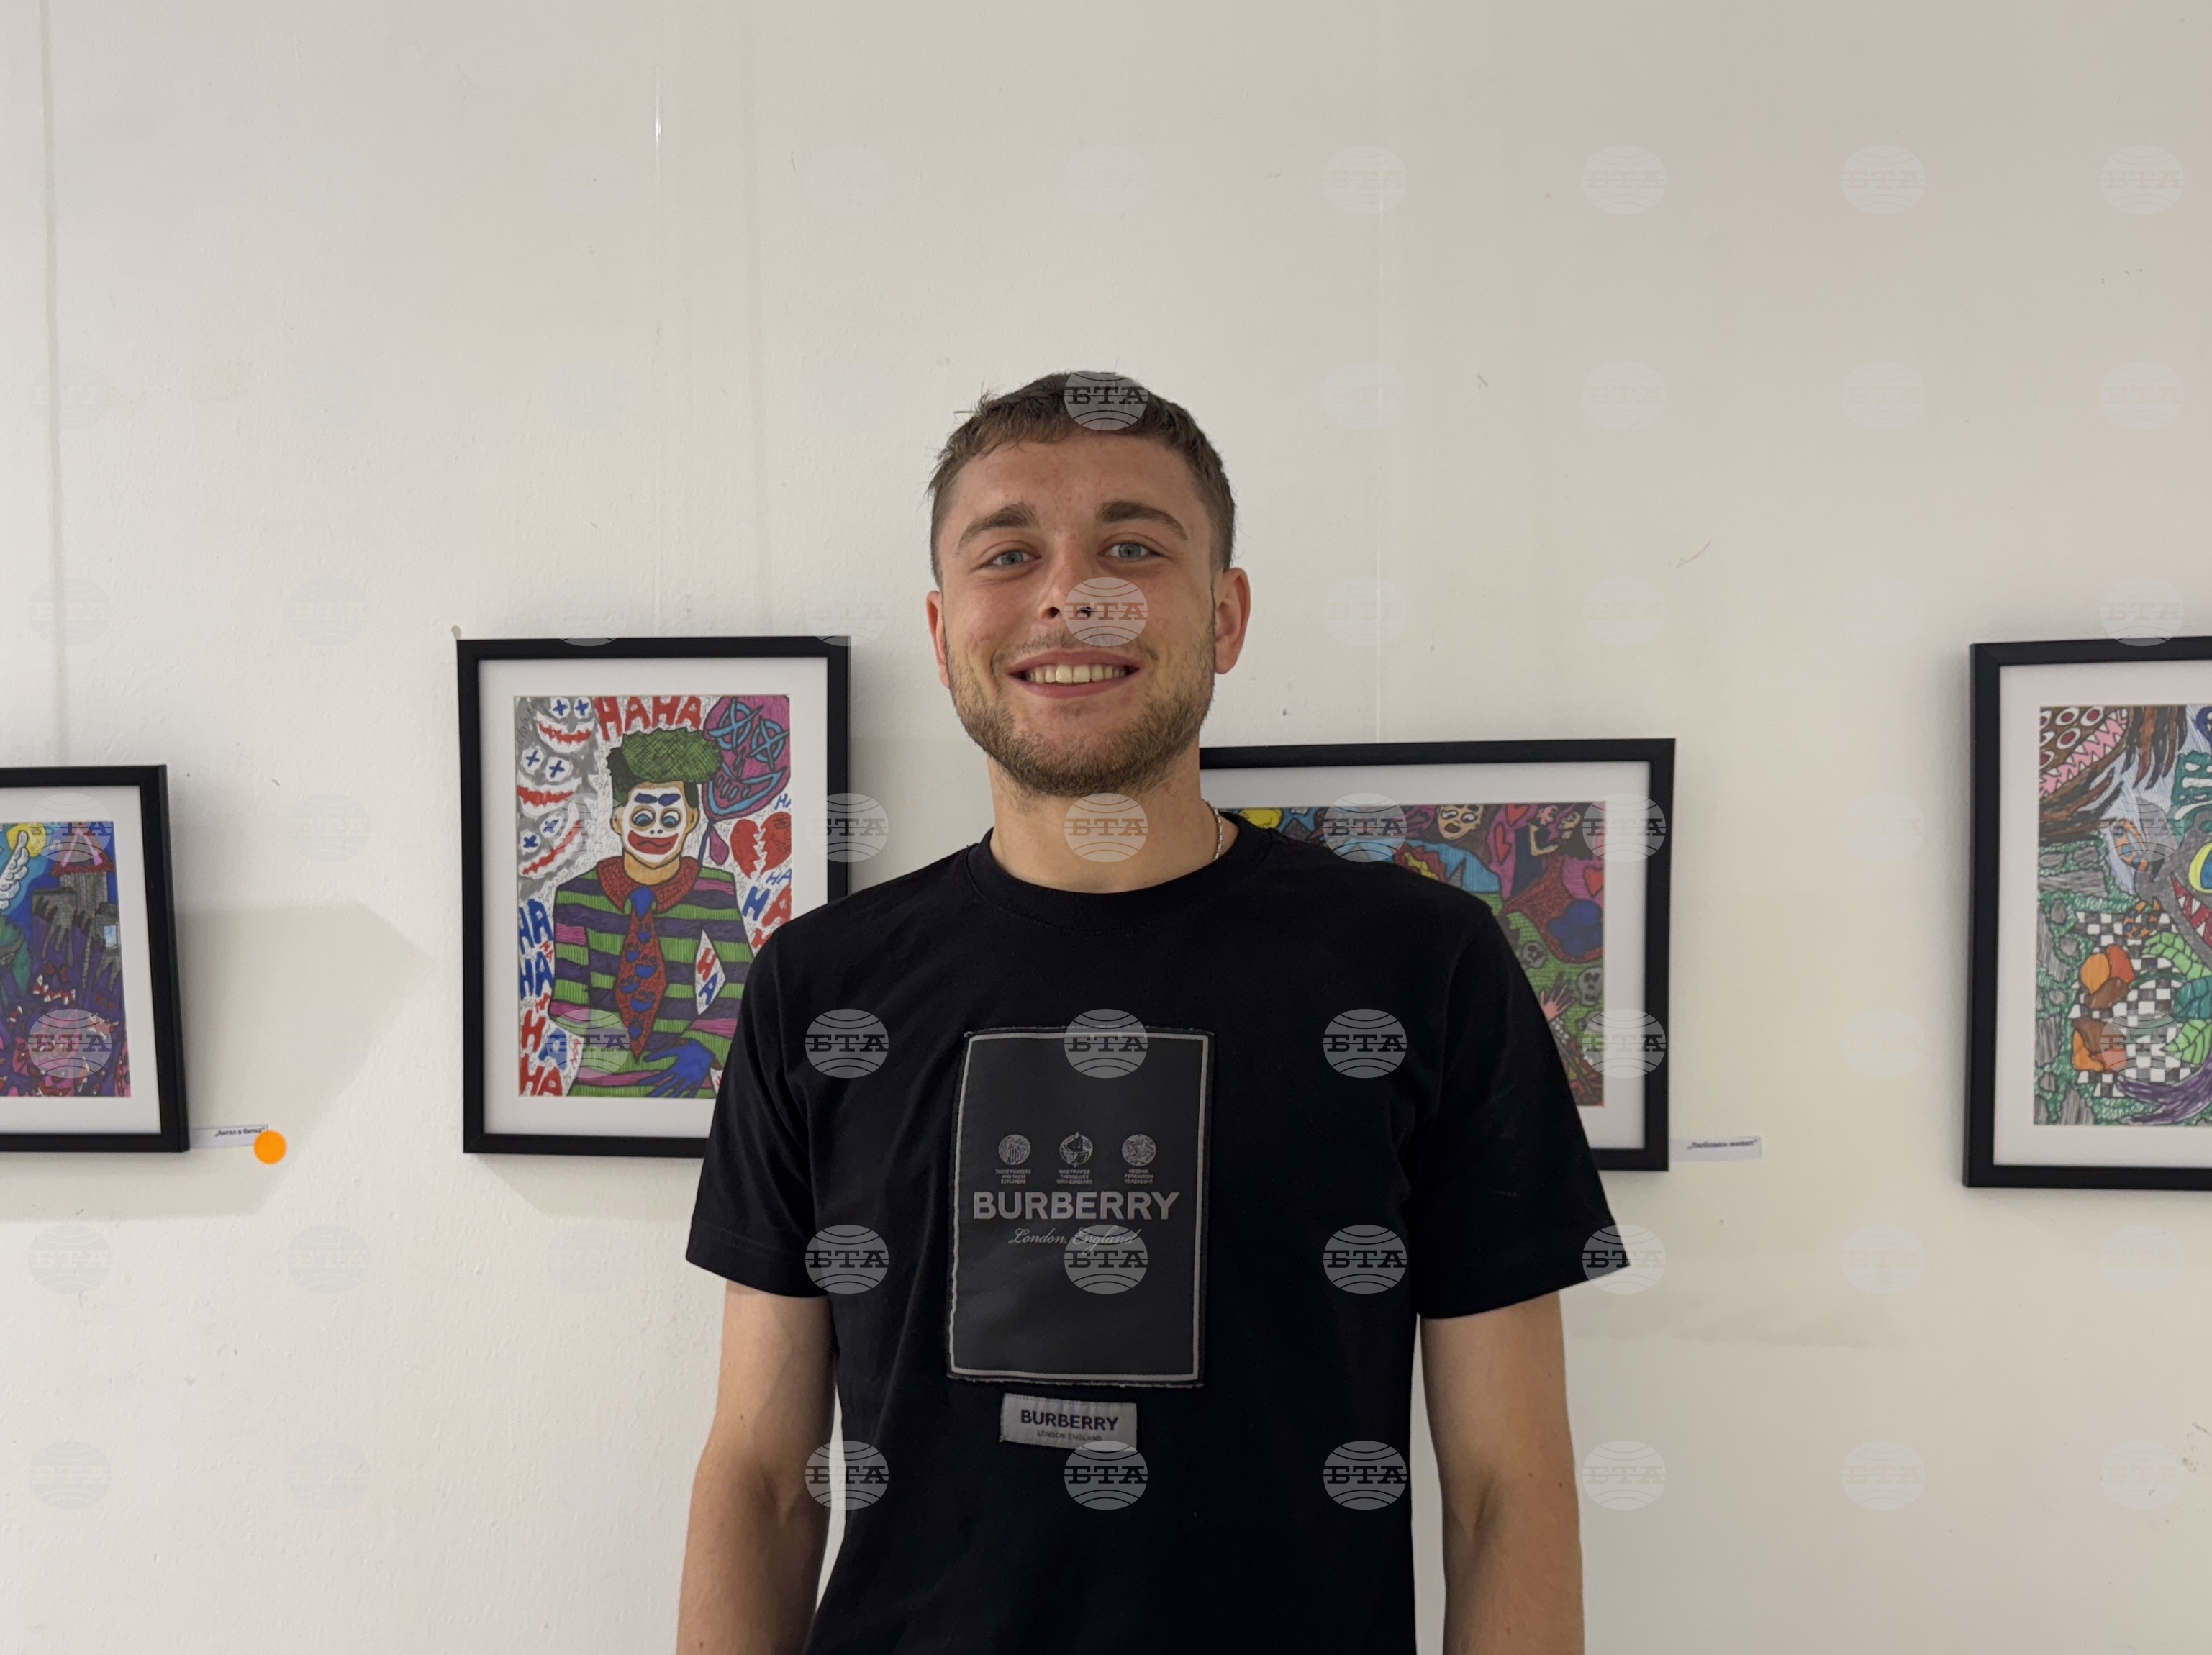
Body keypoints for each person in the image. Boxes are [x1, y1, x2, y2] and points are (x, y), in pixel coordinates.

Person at [677, 373, 1624, 1653]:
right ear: (943, 627)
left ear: (1224, 616)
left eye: (1131, 547)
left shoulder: (1423, 964)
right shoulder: (819, 985)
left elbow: (1506, 1492)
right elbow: (757, 1480)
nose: (1071, 595)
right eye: (1008, 553)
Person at [549, 727, 750, 1098]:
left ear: (692, 820)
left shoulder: (712, 890)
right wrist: (618, 1049)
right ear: (617, 820)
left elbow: (746, 976)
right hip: (601, 1084)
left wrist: (704, 1046)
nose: (657, 830)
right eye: (643, 818)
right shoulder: (577, 896)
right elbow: (567, 1001)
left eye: (670, 819)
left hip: (686, 1076)